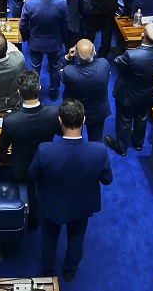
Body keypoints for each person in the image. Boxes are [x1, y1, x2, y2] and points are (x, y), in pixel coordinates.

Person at [29, 98, 112, 281]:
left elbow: (33, 174)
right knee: (76, 238)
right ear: (83, 120)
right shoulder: (99, 151)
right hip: (81, 205)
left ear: (60, 121)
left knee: (49, 238)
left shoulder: (45, 150)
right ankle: (69, 271)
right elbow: (107, 180)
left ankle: (48, 271)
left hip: (51, 205)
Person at [0, 71, 61, 228]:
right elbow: (59, 132)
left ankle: (30, 221)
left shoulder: (11, 120)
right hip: (46, 163)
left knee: (28, 192)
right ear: (39, 88)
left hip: (22, 167)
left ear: (19, 92)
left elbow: (3, 146)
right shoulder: (53, 113)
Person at [106, 23, 153, 155]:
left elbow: (117, 62)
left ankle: (122, 147)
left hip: (127, 94)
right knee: (142, 118)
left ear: (142, 34)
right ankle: (138, 143)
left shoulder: (131, 55)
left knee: (124, 120)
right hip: (147, 93)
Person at [20, 0, 69, 100]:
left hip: (35, 42)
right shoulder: (62, 3)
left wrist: (27, 38)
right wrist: (63, 39)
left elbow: (22, 25)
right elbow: (65, 25)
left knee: (35, 70)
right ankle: (54, 93)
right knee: (55, 69)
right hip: (55, 42)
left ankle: (34, 94)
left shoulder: (30, 3)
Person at [59, 39, 111, 142]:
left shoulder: (69, 72)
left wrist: (67, 57)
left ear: (76, 55)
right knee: (96, 141)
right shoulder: (104, 65)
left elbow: (57, 69)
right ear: (94, 53)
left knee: (74, 141)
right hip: (98, 111)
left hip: (75, 112)